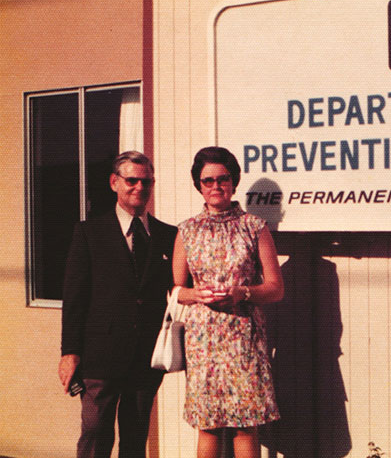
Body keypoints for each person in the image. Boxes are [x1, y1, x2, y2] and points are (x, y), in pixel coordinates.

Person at [58, 151, 177, 458]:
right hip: (100, 357)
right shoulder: (89, 233)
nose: (140, 187)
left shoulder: (169, 235)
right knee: (96, 435)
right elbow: (74, 298)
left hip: (146, 358)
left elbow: (179, 293)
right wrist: (69, 352)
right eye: (131, 180)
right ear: (114, 182)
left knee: (135, 441)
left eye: (146, 181)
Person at [173, 146, 283, 458]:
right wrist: (196, 294)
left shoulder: (254, 227)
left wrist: (243, 293)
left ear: (233, 182)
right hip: (203, 340)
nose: (216, 186)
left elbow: (276, 288)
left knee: (244, 426)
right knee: (208, 425)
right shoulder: (187, 230)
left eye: (223, 179)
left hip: (243, 339)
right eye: (208, 180)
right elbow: (176, 289)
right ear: (199, 185)